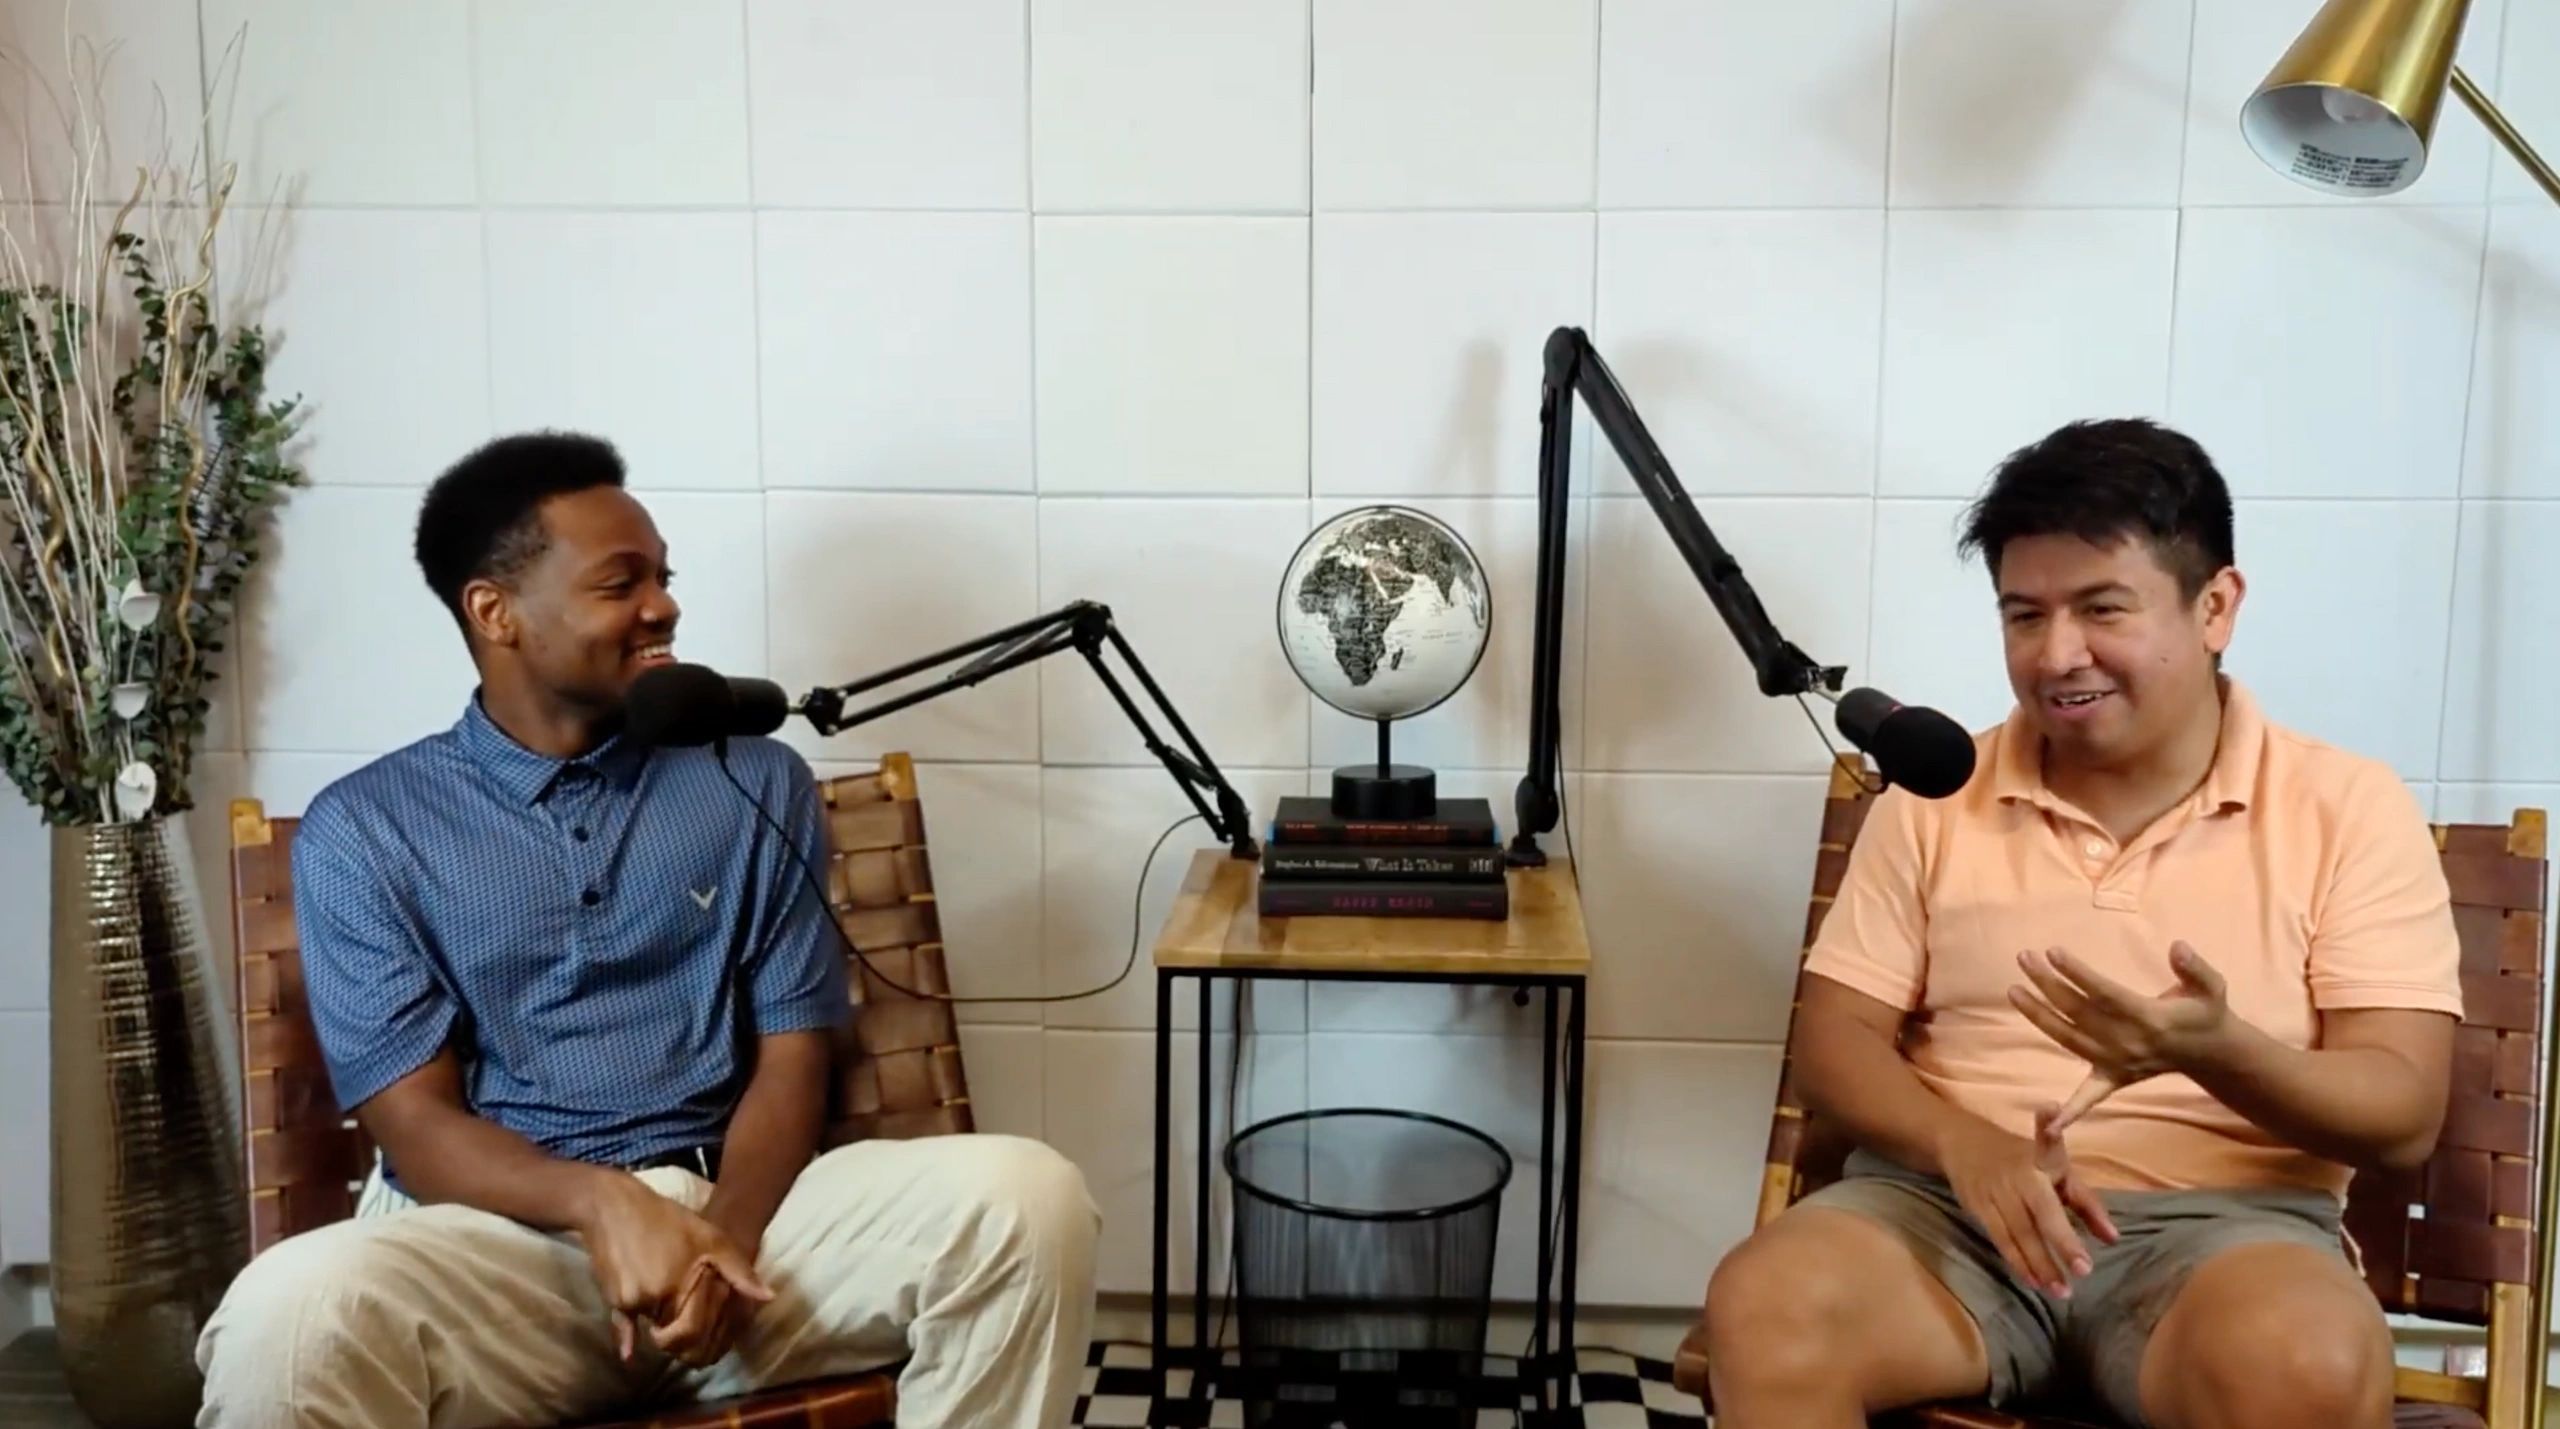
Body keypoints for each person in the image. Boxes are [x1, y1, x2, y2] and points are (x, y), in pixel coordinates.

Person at [194, 432, 1100, 1429]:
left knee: (1027, 1199)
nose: (662, 606)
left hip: (749, 1232)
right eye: (620, 583)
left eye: (663, 578)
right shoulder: (367, 828)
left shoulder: (750, 777)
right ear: (495, 612)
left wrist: (723, 1247)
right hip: (510, 1254)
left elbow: (793, 1055)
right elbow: (416, 1125)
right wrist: (600, 1202)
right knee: (286, 1315)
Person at [1701, 418, 2461, 1429]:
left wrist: (2216, 1051)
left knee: (2306, 1361)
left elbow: (2403, 1112)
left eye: (2102, 608)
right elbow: (1833, 1045)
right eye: (2025, 616)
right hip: (1943, 1219)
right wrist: (1964, 1142)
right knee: (1766, 1307)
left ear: (2215, 606)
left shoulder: (2347, 806)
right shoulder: (1937, 793)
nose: (2058, 655)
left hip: (2227, 1239)